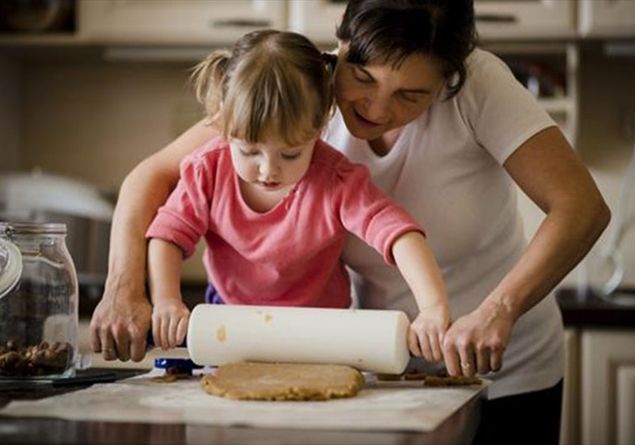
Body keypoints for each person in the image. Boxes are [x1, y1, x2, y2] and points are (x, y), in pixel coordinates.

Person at [90, 1, 610, 443]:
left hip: (502, 366)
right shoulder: (301, 89)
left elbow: (582, 208)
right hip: (383, 367)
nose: (376, 109)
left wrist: (498, 309)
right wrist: (126, 288)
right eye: (360, 77)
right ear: (340, 44)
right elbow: (152, 177)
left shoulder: (480, 86)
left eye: (411, 95)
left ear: (450, 79)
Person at [144, 29, 450, 358]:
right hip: (231, 327)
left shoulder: (336, 180)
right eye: (249, 151)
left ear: (320, 126)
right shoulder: (207, 170)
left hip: (320, 334)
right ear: (223, 121)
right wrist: (166, 300)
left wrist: (432, 307)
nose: (267, 170)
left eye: (290, 154)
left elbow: (398, 234)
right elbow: (168, 235)